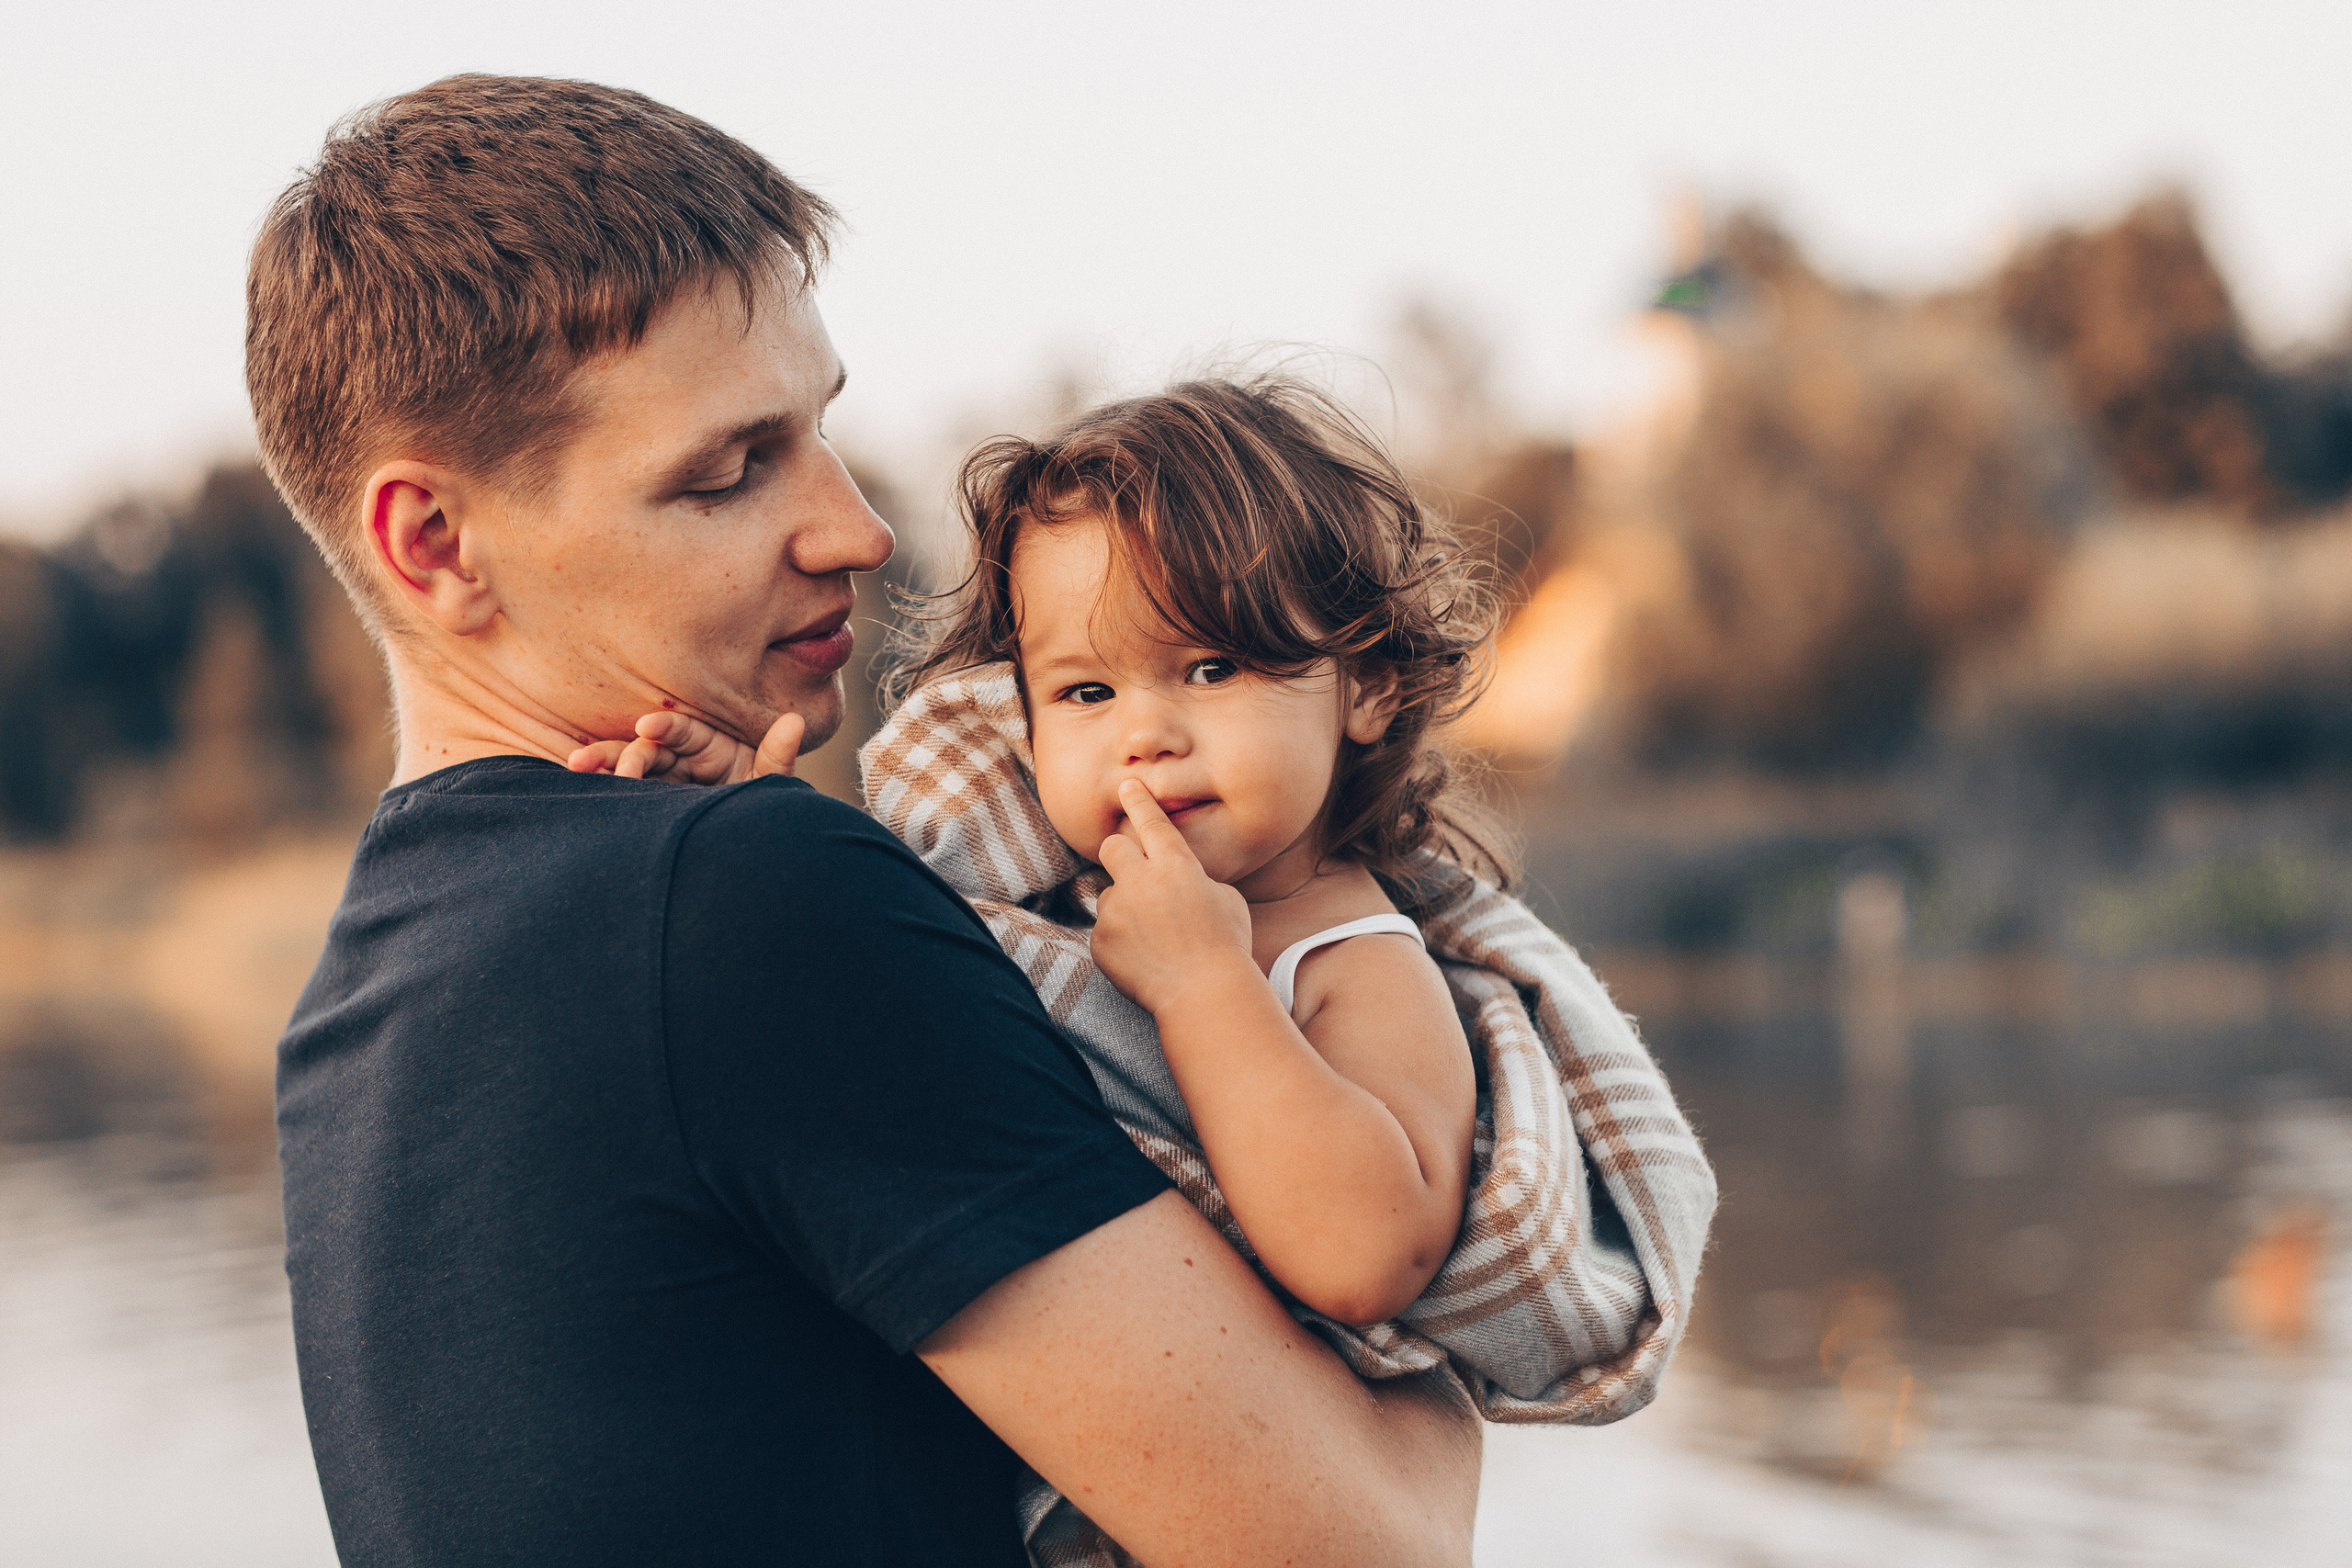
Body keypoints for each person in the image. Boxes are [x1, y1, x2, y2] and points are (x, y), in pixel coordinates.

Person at [257, 74, 1479, 1567]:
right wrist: (1460, 1352)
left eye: (819, 431)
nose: (859, 529)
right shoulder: (745, 897)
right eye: (729, 472)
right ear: (438, 544)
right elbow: (1375, 1548)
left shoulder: (359, 1010)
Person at [583, 379, 1719, 1568]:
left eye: (1214, 668)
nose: (1146, 733)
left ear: (1369, 687)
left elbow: (1365, 1255)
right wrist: (745, 815)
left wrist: (1204, 987)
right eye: (1086, 692)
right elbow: (892, 971)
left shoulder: (1355, 960)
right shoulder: (1056, 903)